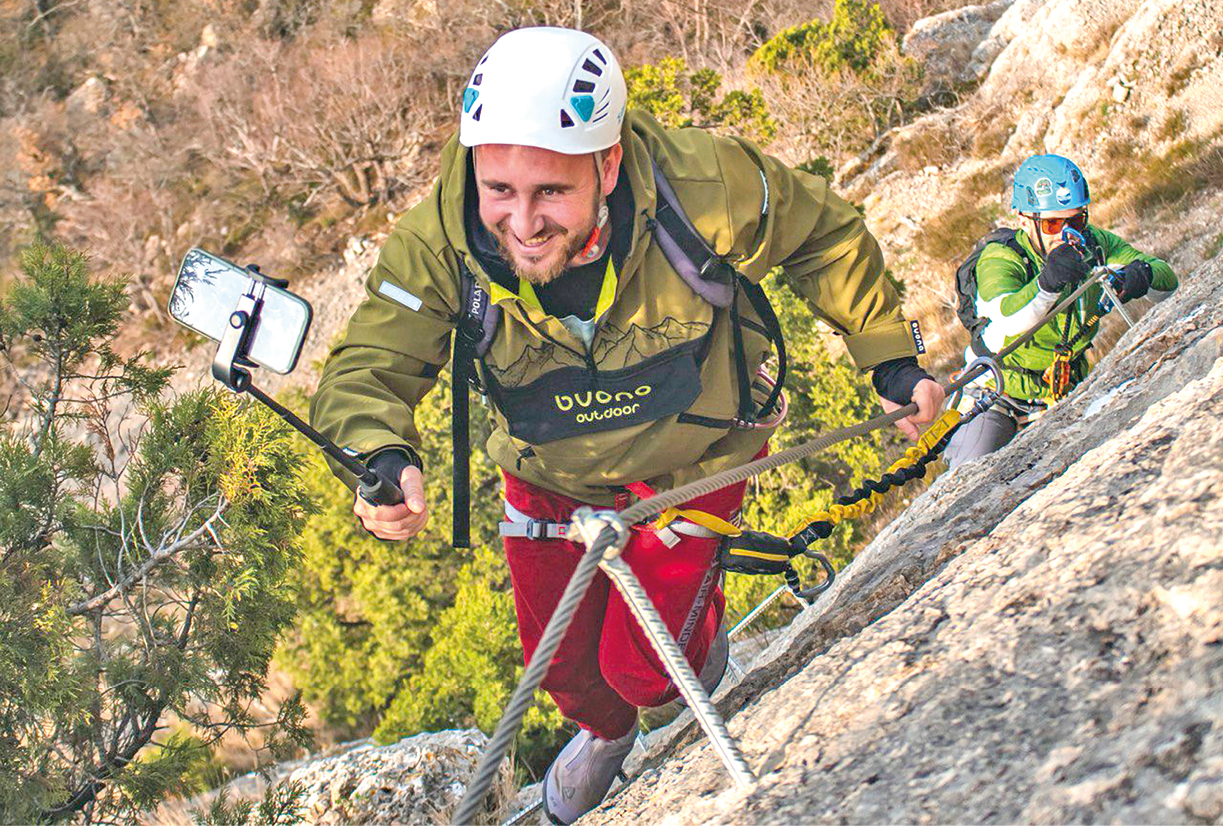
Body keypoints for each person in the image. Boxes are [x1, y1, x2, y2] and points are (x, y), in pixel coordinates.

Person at [309, 27, 942, 824]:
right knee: (568, 679)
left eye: (550, 191)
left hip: (695, 457)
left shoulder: (698, 186)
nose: (522, 222)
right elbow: (373, 361)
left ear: (607, 166)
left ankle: (690, 650)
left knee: (648, 675)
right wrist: (378, 452)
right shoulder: (439, 240)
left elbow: (820, 233)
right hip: (547, 471)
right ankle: (606, 738)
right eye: (498, 188)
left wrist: (887, 358)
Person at [945, 153, 1178, 469]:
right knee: (970, 475)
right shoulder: (1002, 258)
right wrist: (1047, 282)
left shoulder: (1096, 245)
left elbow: (1167, 282)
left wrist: (1140, 276)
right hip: (997, 395)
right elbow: (1010, 317)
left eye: (1076, 221)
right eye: (1052, 223)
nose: (1066, 234)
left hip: (1066, 390)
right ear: (1024, 220)